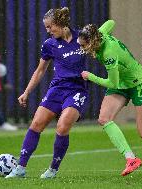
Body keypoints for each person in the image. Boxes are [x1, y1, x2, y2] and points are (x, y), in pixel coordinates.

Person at [77, 20, 142, 178]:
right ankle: (131, 159)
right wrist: (99, 30)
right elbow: (111, 22)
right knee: (104, 119)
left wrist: (89, 76)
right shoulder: (100, 35)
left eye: (84, 45)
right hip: (121, 83)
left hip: (138, 83)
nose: (82, 49)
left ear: (93, 41)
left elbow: (112, 82)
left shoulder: (108, 54)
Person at [5, 7, 88, 179]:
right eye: (46, 28)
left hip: (77, 90)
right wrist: (26, 92)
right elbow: (40, 70)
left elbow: (100, 51)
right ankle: (20, 168)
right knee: (36, 123)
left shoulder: (82, 38)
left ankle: (53, 169)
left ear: (60, 23)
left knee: (63, 125)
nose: (49, 31)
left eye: (50, 27)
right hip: (57, 88)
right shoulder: (49, 44)